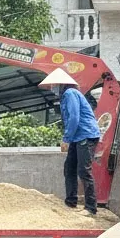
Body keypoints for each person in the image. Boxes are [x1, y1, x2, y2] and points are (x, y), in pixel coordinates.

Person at [39, 68, 101, 216]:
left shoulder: (70, 93)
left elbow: (74, 118)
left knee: (83, 171)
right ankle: (70, 202)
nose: (52, 88)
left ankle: (91, 208)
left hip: (85, 135)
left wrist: (66, 139)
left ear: (60, 84)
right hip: (77, 136)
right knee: (69, 168)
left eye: (53, 85)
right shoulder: (67, 95)